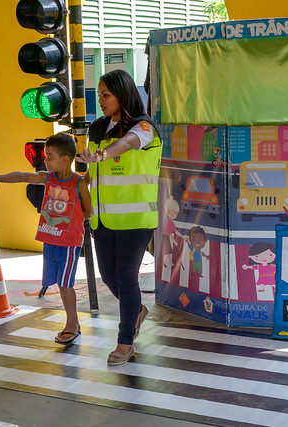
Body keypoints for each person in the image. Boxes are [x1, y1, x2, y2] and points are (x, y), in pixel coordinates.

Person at [77, 69, 163, 365]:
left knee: (126, 278)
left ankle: (125, 342)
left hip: (135, 220)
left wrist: (102, 155)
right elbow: (92, 173)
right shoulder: (98, 128)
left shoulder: (145, 128)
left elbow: (126, 144)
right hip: (102, 220)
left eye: (106, 95)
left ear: (123, 94)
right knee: (110, 277)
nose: (100, 100)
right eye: (99, 94)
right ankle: (137, 310)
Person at [0, 132, 91, 344]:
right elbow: (23, 175)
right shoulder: (47, 178)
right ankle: (73, 322)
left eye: (50, 156)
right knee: (60, 283)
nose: (46, 160)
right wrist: (0, 178)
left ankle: (72, 323)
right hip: (51, 240)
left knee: (66, 283)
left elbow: (87, 211)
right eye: (46, 156)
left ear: (65, 159)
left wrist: (69, 220)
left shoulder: (78, 184)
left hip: (69, 243)